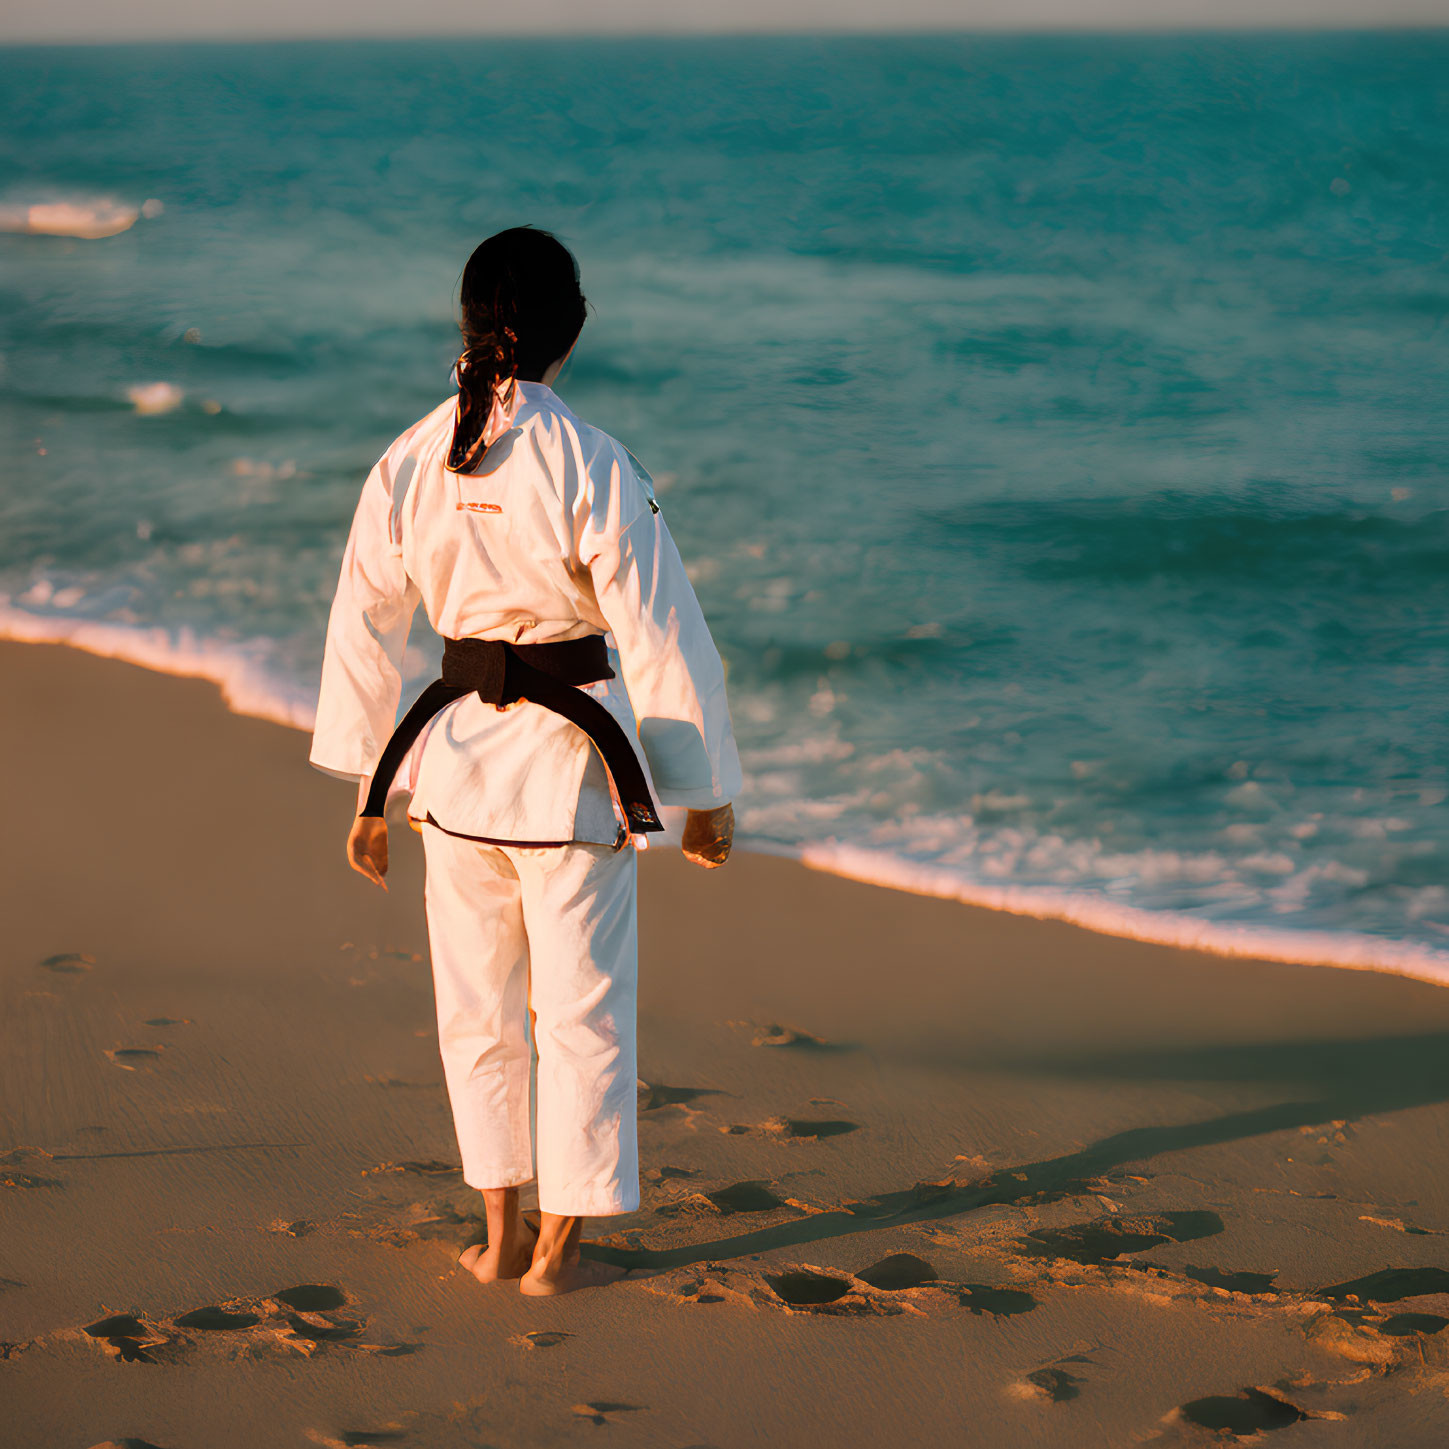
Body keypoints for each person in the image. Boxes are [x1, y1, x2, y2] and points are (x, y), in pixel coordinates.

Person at [308, 226, 742, 1295]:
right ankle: (555, 1252)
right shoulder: (590, 460)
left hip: (452, 775)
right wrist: (705, 791)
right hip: (567, 782)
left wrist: (372, 792)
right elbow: (662, 631)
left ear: (465, 324)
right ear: (570, 332)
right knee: (582, 1016)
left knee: (478, 1013)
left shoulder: (412, 456)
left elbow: (364, 625)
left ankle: (496, 1236)